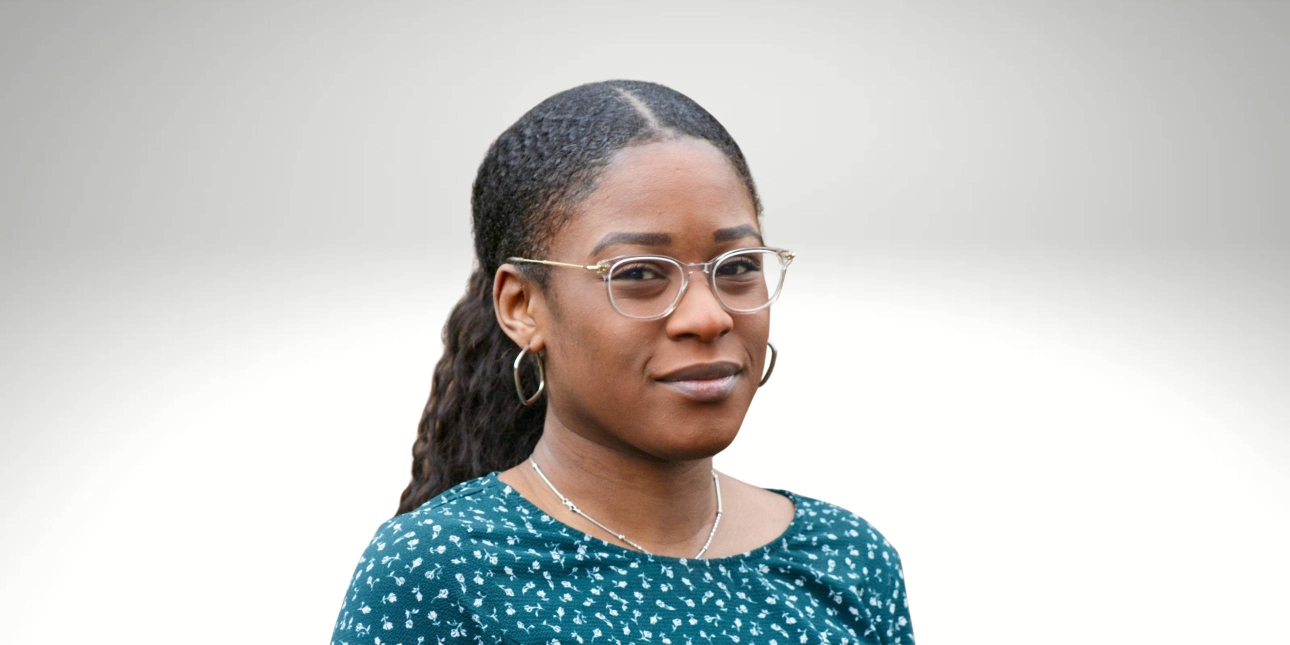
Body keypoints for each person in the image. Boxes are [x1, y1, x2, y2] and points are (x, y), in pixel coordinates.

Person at [329, 79, 915, 645]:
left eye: (736, 266)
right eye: (638, 275)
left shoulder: (847, 560)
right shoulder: (438, 574)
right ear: (522, 307)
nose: (708, 317)